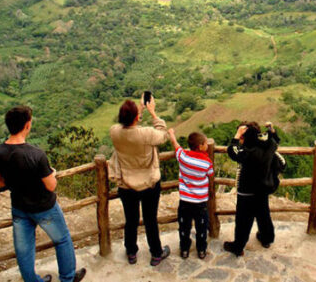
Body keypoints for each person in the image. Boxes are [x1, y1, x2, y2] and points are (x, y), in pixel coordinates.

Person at [0, 106, 86, 282]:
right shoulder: (36, 154)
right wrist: (52, 173)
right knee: (62, 240)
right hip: (44, 207)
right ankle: (68, 278)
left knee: (24, 250)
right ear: (27, 126)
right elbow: (51, 186)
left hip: (19, 207)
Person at [109, 96, 170, 266]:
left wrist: (139, 111)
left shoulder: (115, 132)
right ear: (136, 118)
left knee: (131, 219)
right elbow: (163, 135)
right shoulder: (147, 134)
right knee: (150, 219)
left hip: (126, 185)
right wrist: (152, 112)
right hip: (149, 183)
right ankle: (156, 253)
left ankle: (131, 252)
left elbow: (127, 127)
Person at [223, 121, 286, 256]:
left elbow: (232, 150)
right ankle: (266, 239)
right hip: (262, 189)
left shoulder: (247, 152)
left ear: (245, 137)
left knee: (243, 221)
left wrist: (236, 135)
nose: (240, 140)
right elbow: (275, 142)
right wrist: (271, 130)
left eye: (242, 137)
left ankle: (238, 246)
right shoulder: (268, 147)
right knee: (264, 216)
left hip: (246, 192)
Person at [167, 128, 214, 259]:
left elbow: (176, 145)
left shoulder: (183, 157)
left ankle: (185, 249)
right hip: (200, 202)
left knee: (184, 227)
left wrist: (171, 134)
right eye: (205, 143)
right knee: (202, 227)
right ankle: (201, 250)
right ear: (200, 146)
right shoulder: (207, 163)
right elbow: (210, 174)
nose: (207, 145)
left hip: (185, 201)